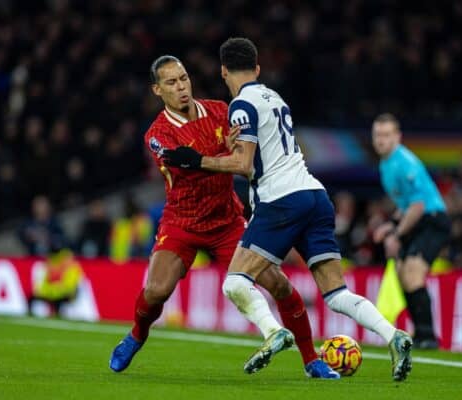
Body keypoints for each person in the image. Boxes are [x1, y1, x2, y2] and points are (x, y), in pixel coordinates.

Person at [163, 38, 412, 381]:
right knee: (337, 294)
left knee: (235, 283)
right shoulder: (274, 98)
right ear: (258, 69)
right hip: (315, 195)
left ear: (223, 71)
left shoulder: (241, 104)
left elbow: (245, 163)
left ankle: (274, 332)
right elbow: (263, 151)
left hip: (281, 200)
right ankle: (394, 335)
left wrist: (198, 160)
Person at [109, 55, 339, 379]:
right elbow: (183, 165)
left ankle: (311, 359)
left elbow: (239, 157)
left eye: (184, 78)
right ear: (157, 90)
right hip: (182, 221)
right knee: (157, 291)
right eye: (172, 83)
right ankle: (137, 334)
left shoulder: (221, 109)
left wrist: (219, 156)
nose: (182, 87)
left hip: (227, 220)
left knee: (280, 284)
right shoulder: (157, 134)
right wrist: (224, 155)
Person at [371, 113, 451, 349]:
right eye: (377, 135)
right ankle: (420, 334)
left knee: (413, 272)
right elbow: (406, 206)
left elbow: (418, 206)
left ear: (398, 137)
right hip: (417, 220)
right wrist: (391, 225)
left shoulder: (405, 162)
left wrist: (396, 235)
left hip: (432, 221)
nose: (381, 140)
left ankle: (427, 336)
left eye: (386, 135)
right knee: (402, 272)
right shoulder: (386, 164)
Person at [28, 248, 83, 317]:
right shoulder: (55, 267)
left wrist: (56, 291)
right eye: (65, 258)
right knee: (32, 297)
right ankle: (29, 313)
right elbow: (46, 282)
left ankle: (57, 315)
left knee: (58, 300)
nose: (66, 260)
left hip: (65, 294)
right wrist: (46, 292)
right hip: (52, 293)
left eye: (68, 258)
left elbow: (69, 286)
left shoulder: (74, 269)